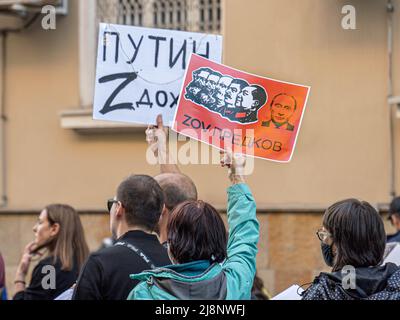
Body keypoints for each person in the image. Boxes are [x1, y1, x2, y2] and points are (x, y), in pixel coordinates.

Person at [127, 150, 259, 300]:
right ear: (220, 242)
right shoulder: (236, 283)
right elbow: (244, 236)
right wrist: (237, 175)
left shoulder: (144, 294)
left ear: (170, 246)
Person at [72, 175, 171, 300]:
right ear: (160, 214)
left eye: (111, 204)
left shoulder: (100, 262)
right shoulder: (174, 261)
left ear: (119, 208)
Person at [302, 199, 400, 300]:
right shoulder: (396, 282)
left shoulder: (322, 293)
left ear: (338, 246)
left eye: (324, 234)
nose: (323, 241)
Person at [13, 204, 89, 300]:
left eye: (40, 222)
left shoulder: (49, 269)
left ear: (54, 229)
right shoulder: (88, 265)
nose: (34, 228)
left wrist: (20, 275)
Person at [146, 115, 198, 246]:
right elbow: (180, 191)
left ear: (161, 209)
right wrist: (161, 149)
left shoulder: (147, 259)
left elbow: (178, 190)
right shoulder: (207, 249)